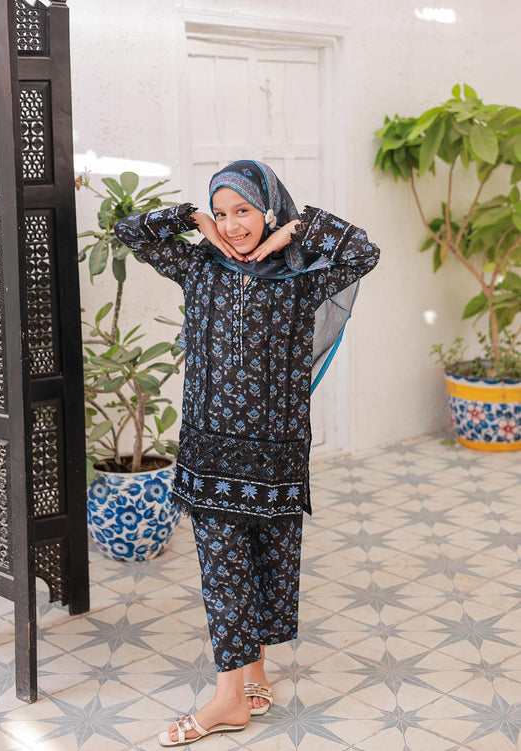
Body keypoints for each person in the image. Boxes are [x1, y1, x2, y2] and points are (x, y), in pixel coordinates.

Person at [114, 160, 380, 746]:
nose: (235, 226)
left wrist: (297, 229)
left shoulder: (301, 277)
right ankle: (230, 697)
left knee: (263, 565)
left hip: (277, 454)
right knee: (223, 570)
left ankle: (254, 675)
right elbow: (131, 231)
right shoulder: (195, 266)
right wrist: (194, 221)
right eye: (225, 212)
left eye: (246, 211)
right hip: (210, 451)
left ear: (268, 210)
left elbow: (364, 251)